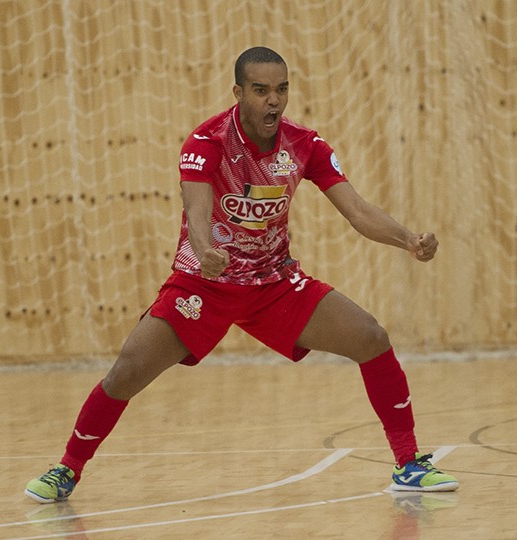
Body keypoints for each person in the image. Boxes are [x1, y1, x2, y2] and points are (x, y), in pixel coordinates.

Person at [24, 46, 458, 503]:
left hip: (273, 283)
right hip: (204, 284)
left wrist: (407, 239)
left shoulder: (305, 145)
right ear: (238, 92)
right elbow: (196, 209)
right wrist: (206, 248)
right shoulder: (205, 143)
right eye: (261, 90)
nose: (274, 101)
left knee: (371, 337)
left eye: (282, 89)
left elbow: (358, 210)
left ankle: (408, 465)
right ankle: (65, 469)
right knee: (126, 372)